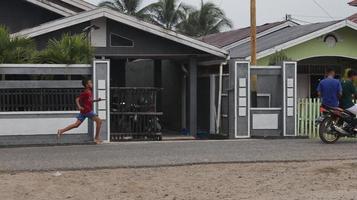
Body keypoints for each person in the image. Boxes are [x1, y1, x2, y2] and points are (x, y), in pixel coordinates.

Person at [58, 78, 103, 144]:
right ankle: (96, 138)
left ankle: (61, 131)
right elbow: (77, 99)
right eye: (90, 83)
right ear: (87, 85)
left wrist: (96, 100)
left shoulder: (89, 92)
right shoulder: (86, 92)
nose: (92, 84)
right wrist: (79, 106)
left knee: (76, 125)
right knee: (99, 121)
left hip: (84, 112)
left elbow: (89, 101)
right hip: (87, 111)